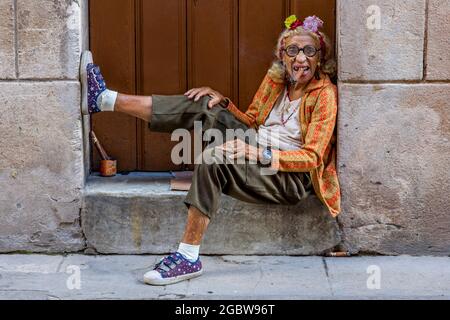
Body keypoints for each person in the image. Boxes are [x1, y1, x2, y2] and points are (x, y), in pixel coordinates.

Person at [80, 14, 341, 286]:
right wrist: (223, 103)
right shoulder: (278, 81)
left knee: (214, 158)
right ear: (282, 56)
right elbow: (251, 121)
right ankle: (104, 99)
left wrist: (258, 154)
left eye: (309, 51)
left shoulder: (324, 95)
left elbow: (313, 157)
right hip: (258, 145)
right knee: (204, 102)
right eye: (293, 50)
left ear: (320, 58)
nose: (301, 59)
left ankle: (188, 257)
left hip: (287, 175)